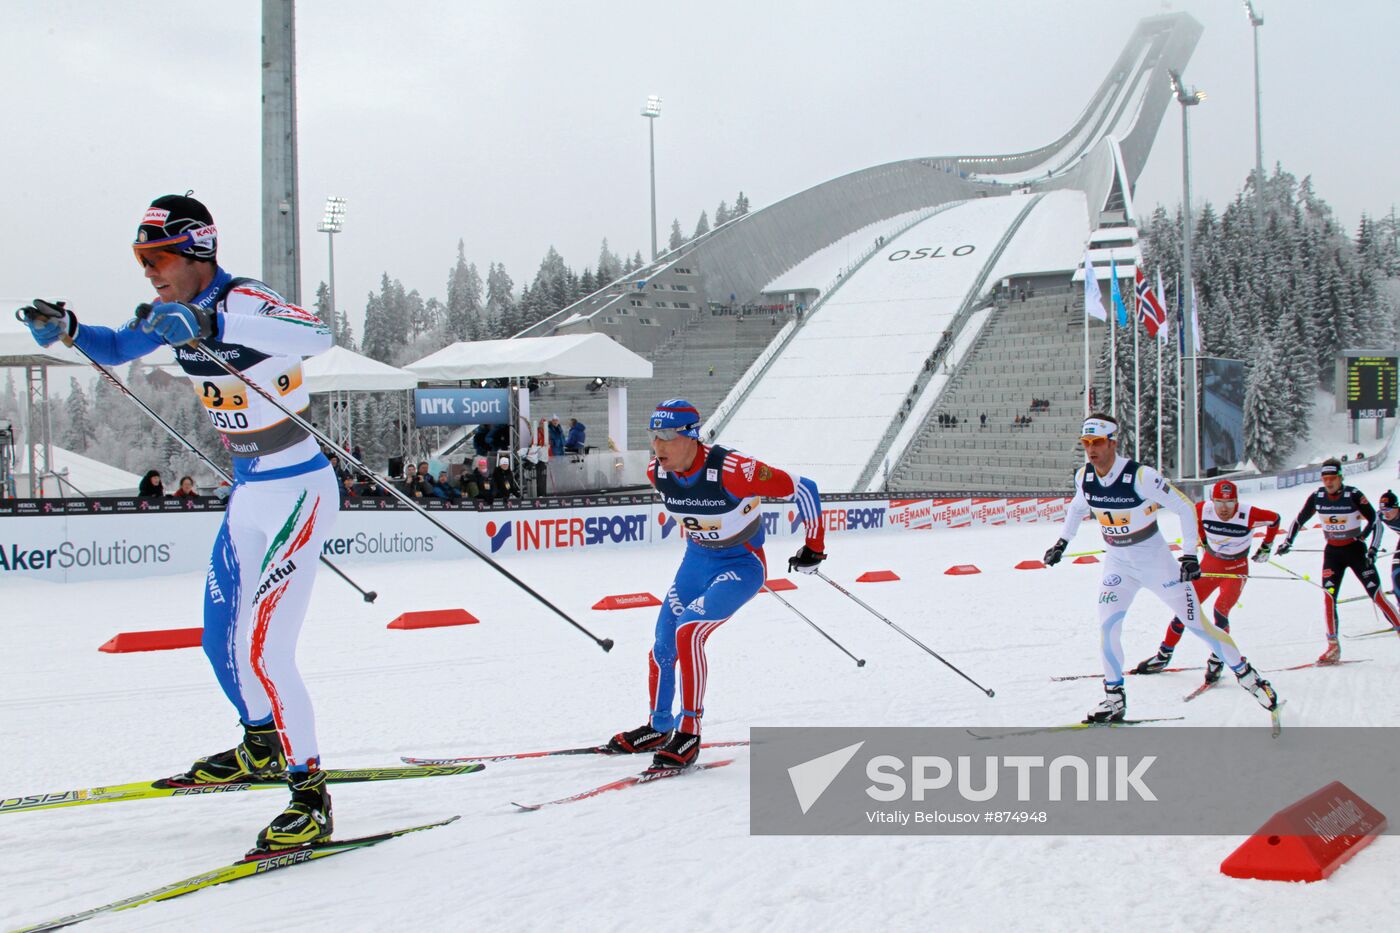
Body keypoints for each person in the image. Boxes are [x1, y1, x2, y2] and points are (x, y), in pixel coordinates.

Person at [19, 193, 338, 851]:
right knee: (219, 636)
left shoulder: (243, 302)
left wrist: (209, 325)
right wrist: (68, 329)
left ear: (198, 251)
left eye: (158, 257)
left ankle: (310, 796)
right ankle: (259, 746)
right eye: (142, 260)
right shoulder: (167, 314)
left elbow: (316, 335)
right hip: (249, 492)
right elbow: (116, 343)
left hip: (299, 490)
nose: (150, 272)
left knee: (267, 649)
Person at [605, 399, 826, 770]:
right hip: (696, 562)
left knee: (689, 630)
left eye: (667, 436)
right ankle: (659, 727)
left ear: (691, 436)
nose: (658, 446)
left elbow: (805, 488)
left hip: (741, 566)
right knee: (663, 641)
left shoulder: (736, 470)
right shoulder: (656, 472)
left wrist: (814, 549)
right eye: (653, 436)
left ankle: (688, 732)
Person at [1042, 414, 1277, 722]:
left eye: (1097, 443)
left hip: (1155, 562)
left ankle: (1249, 677)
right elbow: (1077, 506)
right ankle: (1114, 698)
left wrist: (1190, 555)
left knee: (1197, 625)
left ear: (1113, 442)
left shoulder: (1140, 476)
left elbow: (1183, 506)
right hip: (1118, 564)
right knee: (1108, 628)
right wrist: (1062, 543)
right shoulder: (1084, 476)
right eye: (1086, 443)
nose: (1091, 450)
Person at [1133, 480, 1282, 685]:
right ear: (1213, 500)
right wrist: (1202, 541)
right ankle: (1163, 655)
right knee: (1185, 608)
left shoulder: (1249, 514)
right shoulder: (1203, 509)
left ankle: (1217, 658)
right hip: (1210, 565)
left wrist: (1266, 545)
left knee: (1220, 611)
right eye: (1219, 502)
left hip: (1236, 569)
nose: (1223, 509)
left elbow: (1275, 519)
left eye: (1229, 504)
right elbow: (1193, 519)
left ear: (1236, 502)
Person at [1275, 458, 1400, 662]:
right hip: (1333, 553)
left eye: (1333, 478)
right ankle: (1333, 646)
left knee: (1376, 594)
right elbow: (1299, 519)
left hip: (1356, 551)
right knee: (1329, 596)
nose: (1329, 483)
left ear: (1341, 478)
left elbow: (1375, 521)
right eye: (1325, 479)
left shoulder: (1354, 495)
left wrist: (1372, 549)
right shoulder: (1318, 496)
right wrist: (1288, 542)